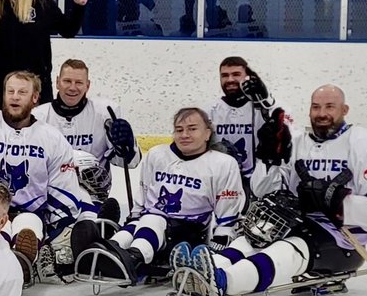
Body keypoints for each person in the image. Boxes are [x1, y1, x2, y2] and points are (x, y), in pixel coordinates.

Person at [171, 84, 367, 296]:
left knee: (286, 250)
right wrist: (268, 160)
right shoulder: (298, 142)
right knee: (252, 238)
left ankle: (222, 281)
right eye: (316, 107)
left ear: (344, 110)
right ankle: (203, 268)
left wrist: (336, 201)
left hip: (340, 238)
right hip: (294, 220)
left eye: (330, 107)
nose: (322, 114)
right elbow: (263, 190)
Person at [0, 70, 96, 286]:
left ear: (35, 98)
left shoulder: (52, 138)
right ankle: (8, 259)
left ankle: (20, 258)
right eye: (10, 91)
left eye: (22, 92)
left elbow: (63, 189)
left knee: (29, 227)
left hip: (29, 211)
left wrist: (57, 229)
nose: (14, 96)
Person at [75, 107, 243, 286]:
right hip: (151, 225)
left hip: (189, 234)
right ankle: (107, 249)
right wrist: (134, 219)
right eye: (179, 130)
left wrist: (218, 246)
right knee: (141, 221)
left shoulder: (222, 163)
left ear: (207, 133)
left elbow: (227, 216)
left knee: (153, 219)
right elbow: (144, 199)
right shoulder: (157, 155)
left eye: (192, 129)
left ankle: (132, 258)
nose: (184, 134)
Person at [31, 58, 139, 207]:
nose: (72, 88)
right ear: (57, 82)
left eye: (79, 83)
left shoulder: (105, 113)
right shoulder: (38, 117)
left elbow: (130, 163)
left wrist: (126, 144)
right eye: (67, 81)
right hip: (50, 196)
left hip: (94, 195)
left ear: (87, 86)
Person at [210, 56, 289, 201]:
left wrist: (264, 100)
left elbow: (286, 131)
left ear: (247, 77)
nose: (230, 80)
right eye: (225, 75)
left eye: (236, 74)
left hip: (261, 181)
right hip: (223, 182)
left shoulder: (264, 107)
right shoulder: (210, 111)